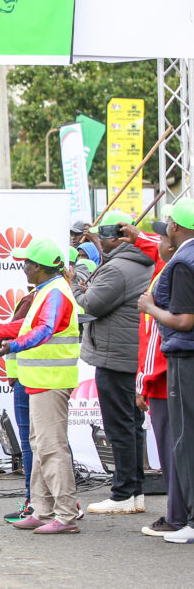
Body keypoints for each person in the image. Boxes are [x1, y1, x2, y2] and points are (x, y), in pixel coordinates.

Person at [0, 238, 81, 534]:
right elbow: (26, 326)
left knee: (51, 448)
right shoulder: (46, 290)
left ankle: (66, 515)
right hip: (39, 382)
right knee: (39, 445)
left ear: (40, 268)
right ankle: (43, 510)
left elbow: (42, 331)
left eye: (27, 263)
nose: (23, 268)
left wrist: (11, 346)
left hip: (51, 383)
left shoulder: (56, 293)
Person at [75, 211, 154, 515]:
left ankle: (123, 493)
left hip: (115, 356)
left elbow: (87, 306)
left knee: (119, 426)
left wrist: (74, 284)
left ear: (115, 238)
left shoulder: (117, 269)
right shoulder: (139, 262)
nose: (97, 242)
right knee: (132, 426)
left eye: (100, 237)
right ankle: (133, 490)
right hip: (130, 354)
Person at [139, 198, 194, 543]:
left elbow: (185, 320)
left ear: (175, 227)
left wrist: (150, 308)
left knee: (185, 441)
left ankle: (188, 521)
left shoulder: (183, 262)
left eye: (168, 225)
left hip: (183, 361)